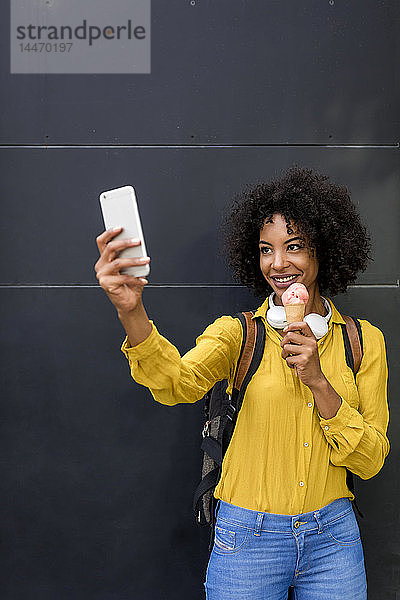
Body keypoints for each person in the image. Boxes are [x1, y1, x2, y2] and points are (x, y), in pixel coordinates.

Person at [94, 165, 390, 600]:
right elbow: (177, 383)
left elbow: (371, 460)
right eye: (265, 250)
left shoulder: (364, 341)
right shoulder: (238, 333)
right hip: (247, 539)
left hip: (334, 539)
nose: (278, 264)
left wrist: (319, 382)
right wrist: (130, 310)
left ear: (323, 250)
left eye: (295, 247)